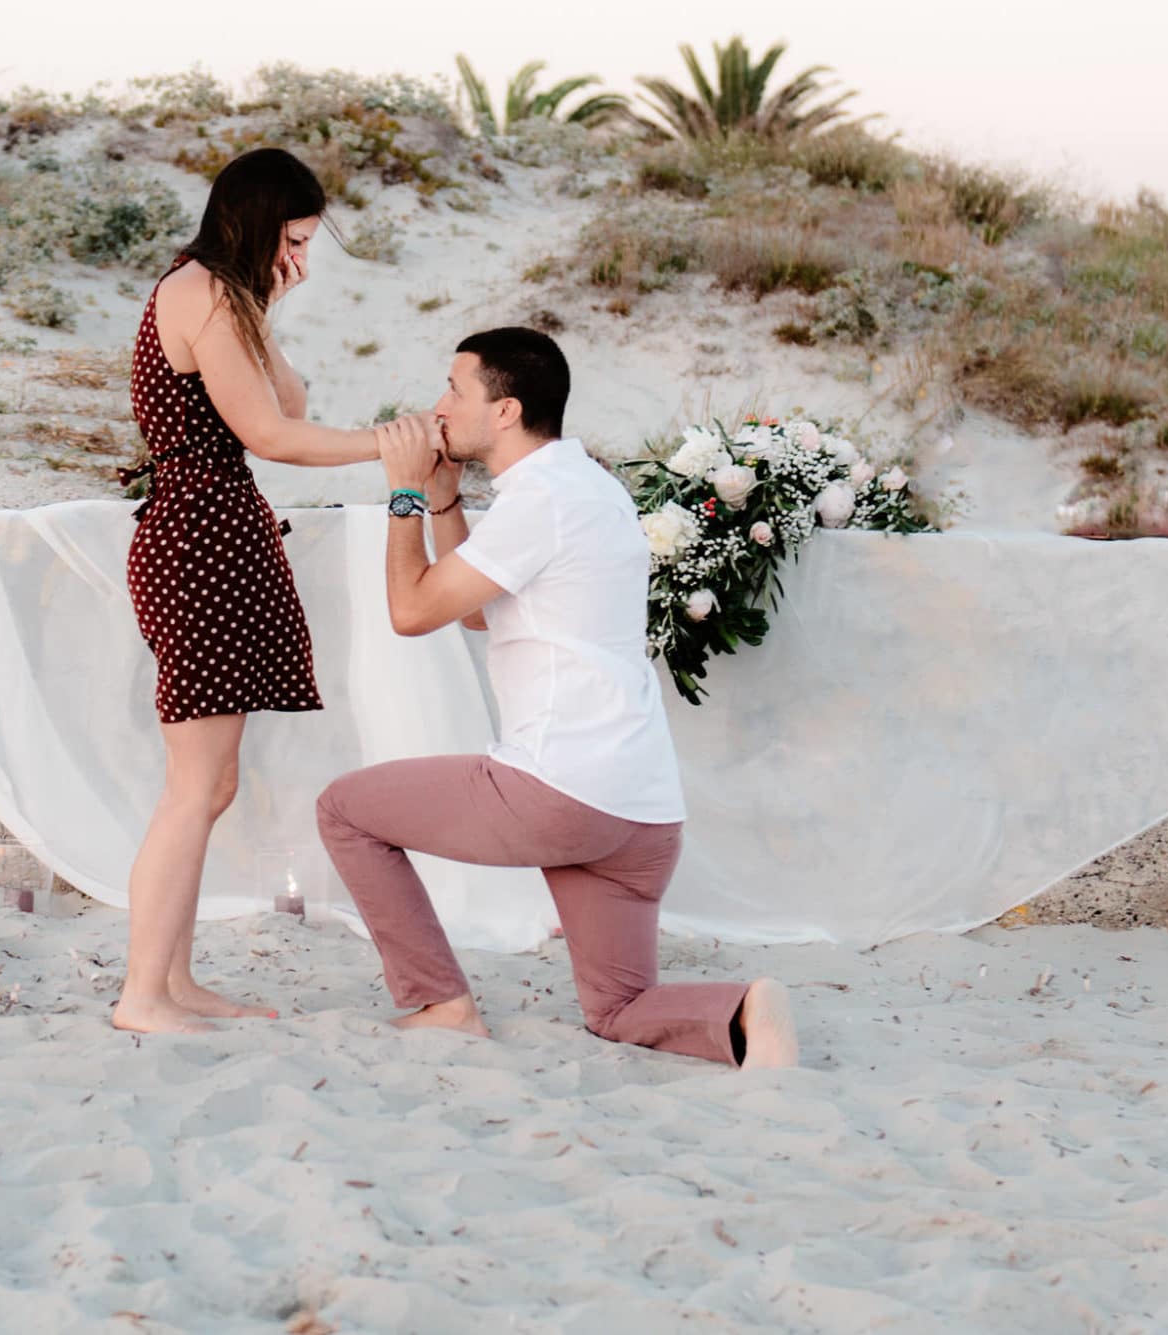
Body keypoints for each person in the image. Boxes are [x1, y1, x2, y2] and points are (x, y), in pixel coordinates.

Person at [314, 328, 800, 1069]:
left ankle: (442, 1001)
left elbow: (412, 612)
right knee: (619, 1008)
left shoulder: (538, 501)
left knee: (344, 810)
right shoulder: (588, 487)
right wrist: (446, 501)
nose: (438, 406)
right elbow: (478, 609)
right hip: (641, 811)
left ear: (504, 411)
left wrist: (405, 492)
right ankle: (743, 1009)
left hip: (558, 791)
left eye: (454, 388)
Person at [113, 148, 414, 1035]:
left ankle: (172, 978)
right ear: (254, 225)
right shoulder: (199, 291)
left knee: (210, 785)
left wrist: (268, 305)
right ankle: (142, 994)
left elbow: (288, 393)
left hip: (220, 532)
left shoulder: (226, 297)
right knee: (193, 785)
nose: (303, 260)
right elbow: (271, 435)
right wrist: (385, 444)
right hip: (198, 537)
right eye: (294, 241)